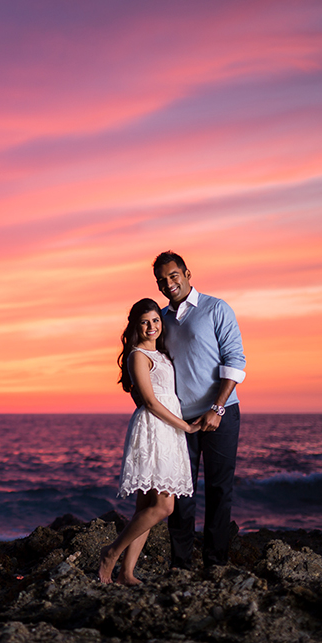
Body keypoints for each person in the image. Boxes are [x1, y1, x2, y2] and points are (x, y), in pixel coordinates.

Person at [152, 250, 246, 570]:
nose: (169, 284)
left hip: (221, 413)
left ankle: (215, 563)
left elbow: (235, 362)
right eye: (162, 281)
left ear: (187, 274)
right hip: (180, 420)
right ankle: (181, 565)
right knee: (181, 494)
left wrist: (217, 409)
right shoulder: (162, 320)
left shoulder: (216, 308)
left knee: (219, 490)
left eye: (174, 276)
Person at [98, 298, 200, 585]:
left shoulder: (162, 355)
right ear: (135, 325)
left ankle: (126, 573)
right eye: (145, 322)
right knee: (164, 507)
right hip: (155, 429)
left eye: (156, 320)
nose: (152, 326)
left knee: (145, 508)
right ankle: (111, 553)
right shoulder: (137, 355)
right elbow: (151, 403)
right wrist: (186, 427)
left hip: (168, 430)